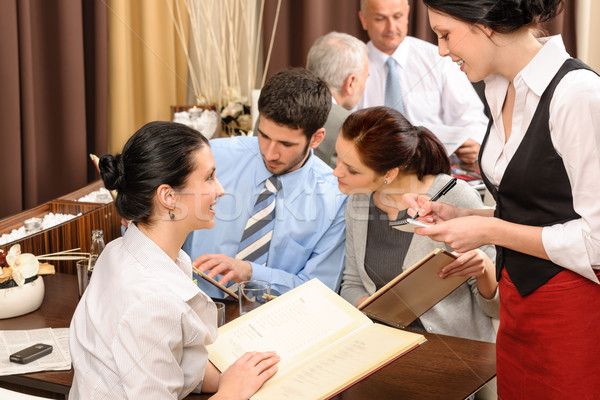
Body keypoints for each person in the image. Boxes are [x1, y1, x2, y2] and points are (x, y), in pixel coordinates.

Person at [406, 0, 600, 397]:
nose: (441, 50)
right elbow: (543, 205)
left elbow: (596, 241)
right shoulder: (499, 87)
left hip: (574, 314)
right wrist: (463, 213)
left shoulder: (578, 95)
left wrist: (489, 229)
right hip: (517, 310)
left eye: (444, 34)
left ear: (488, 24)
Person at [69, 121, 279, 399]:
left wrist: (232, 377)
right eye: (209, 177)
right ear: (168, 196)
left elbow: (170, 359)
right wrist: (231, 393)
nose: (221, 190)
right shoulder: (150, 303)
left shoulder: (120, 250)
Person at [335, 106, 498, 342]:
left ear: (388, 174)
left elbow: (496, 308)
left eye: (351, 169)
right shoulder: (360, 198)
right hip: (384, 346)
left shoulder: (455, 198)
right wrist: (375, 313)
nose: (336, 171)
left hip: (454, 354)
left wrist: (484, 270)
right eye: (338, 157)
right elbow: (352, 283)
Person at [183, 68, 347, 298]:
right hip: (194, 305)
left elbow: (319, 290)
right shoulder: (212, 157)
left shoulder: (336, 198)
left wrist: (252, 273)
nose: (270, 153)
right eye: (264, 136)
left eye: (286, 144)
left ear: (316, 139)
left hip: (281, 320)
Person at [357, 0, 488, 164]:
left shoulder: (439, 59)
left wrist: (475, 142)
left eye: (397, 16)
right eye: (380, 19)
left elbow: (473, 119)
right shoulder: (351, 66)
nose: (391, 27)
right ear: (364, 20)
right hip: (373, 168)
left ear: (407, 14)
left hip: (434, 168)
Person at [307, 31, 369, 168]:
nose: (365, 85)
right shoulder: (349, 126)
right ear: (351, 82)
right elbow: (356, 187)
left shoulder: (271, 105)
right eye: (365, 78)